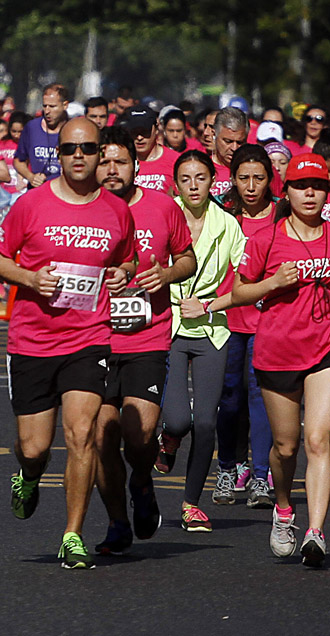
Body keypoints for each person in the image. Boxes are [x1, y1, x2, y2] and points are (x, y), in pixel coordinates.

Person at [0, 117, 137, 569]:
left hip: (88, 338)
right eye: (70, 148)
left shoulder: (116, 209)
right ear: (58, 153)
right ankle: (28, 477)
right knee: (33, 448)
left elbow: (126, 260)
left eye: (88, 149)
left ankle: (72, 534)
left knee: (83, 434)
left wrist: (124, 273)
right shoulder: (31, 205)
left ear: (99, 153)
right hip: (32, 339)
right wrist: (29, 278)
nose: (78, 156)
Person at [232, 153, 330, 567]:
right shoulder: (266, 239)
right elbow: (241, 292)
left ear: (327, 191)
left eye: (317, 186)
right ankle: (283, 509)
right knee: (285, 446)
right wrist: (271, 283)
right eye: (301, 186)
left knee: (317, 439)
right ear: (288, 191)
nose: (309, 193)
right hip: (278, 349)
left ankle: (315, 531)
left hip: (328, 344)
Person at [91, 126, 195, 554]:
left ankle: (143, 480)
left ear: (137, 165)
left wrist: (167, 274)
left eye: (120, 162)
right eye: (105, 162)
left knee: (139, 434)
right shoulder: (81, 210)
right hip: (93, 341)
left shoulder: (162, 207)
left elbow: (186, 257)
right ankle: (117, 522)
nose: (112, 170)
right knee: (100, 438)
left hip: (146, 337)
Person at [154, 150, 246, 532]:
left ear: (214, 181)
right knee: (178, 418)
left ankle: (191, 503)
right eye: (186, 179)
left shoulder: (228, 224)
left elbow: (244, 285)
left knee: (206, 423)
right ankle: (169, 438)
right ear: (176, 183)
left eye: (202, 178)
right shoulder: (161, 214)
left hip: (212, 325)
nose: (194, 186)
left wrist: (208, 305)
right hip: (168, 322)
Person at [212, 144, 277, 509]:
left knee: (260, 398)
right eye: (243, 178)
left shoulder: (283, 213)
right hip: (226, 317)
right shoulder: (221, 213)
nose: (251, 186)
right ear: (233, 179)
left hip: (268, 320)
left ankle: (260, 476)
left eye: (258, 178)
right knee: (230, 396)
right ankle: (225, 469)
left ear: (270, 179)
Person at [14, 83, 70, 189]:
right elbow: (18, 160)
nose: (47, 111)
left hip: (64, 192)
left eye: (52, 106)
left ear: (65, 105)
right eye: (45, 106)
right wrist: (30, 177)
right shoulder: (32, 127)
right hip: (37, 191)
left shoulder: (73, 129)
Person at [119, 107, 180, 194]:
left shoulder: (175, 161)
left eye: (145, 131)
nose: (139, 138)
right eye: (134, 132)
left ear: (156, 129)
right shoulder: (119, 161)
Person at [209, 107, 249, 197]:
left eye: (240, 142)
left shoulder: (259, 170)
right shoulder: (201, 170)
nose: (234, 148)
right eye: (228, 141)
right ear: (214, 134)